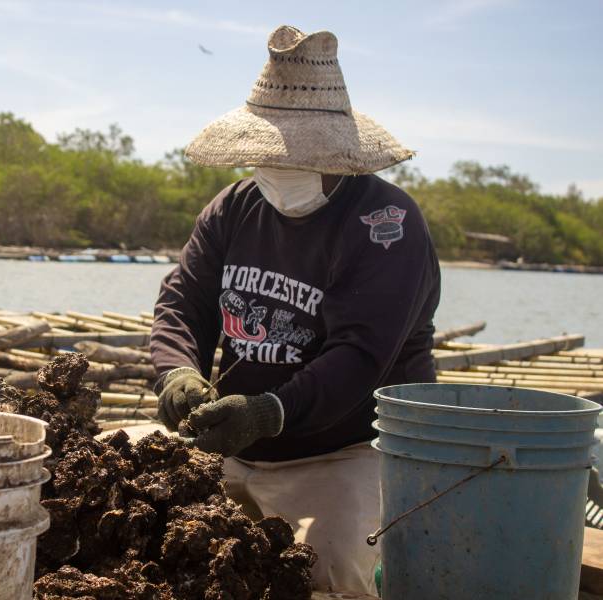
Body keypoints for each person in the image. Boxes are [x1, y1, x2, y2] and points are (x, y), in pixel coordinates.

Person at [150, 25, 441, 595]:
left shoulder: (387, 225)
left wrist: (268, 412)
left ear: (340, 154)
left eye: (300, 155)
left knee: (336, 568)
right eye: (272, 154)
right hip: (235, 446)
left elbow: (360, 358)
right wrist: (178, 372)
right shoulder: (234, 207)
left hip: (348, 449)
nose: (282, 168)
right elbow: (183, 300)